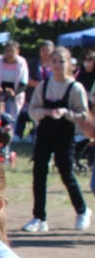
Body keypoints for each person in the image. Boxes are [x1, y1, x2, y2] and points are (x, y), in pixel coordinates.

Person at [22, 46, 90, 233]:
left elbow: (83, 114)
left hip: (65, 134)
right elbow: (32, 109)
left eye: (62, 61)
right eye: (55, 61)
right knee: (39, 173)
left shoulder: (75, 88)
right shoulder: (44, 86)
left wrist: (66, 113)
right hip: (44, 132)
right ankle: (39, 217)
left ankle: (82, 210)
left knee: (66, 173)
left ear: (68, 63)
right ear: (49, 64)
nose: (58, 65)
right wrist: (44, 112)